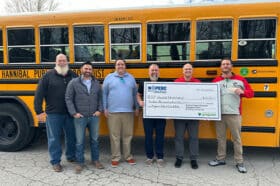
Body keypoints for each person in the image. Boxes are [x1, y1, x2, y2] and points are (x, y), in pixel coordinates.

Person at [208, 58, 254, 173]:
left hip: (234, 114)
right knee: (220, 138)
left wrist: (242, 92)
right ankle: (220, 159)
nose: (225, 66)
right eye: (223, 64)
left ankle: (239, 162)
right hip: (219, 114)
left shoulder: (240, 80)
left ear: (231, 66)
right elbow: (209, 96)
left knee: (236, 139)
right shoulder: (216, 80)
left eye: (227, 64)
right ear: (221, 67)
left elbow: (251, 93)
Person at [34, 53, 76, 172]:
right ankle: (55, 161)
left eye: (64, 60)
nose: (62, 63)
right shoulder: (47, 76)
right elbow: (39, 94)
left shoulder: (72, 75)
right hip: (53, 113)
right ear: (55, 62)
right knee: (54, 138)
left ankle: (71, 156)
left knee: (71, 136)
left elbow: (80, 91)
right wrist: (39, 111)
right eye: (59, 61)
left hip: (70, 113)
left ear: (67, 62)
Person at [65, 61, 104, 174]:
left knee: (95, 140)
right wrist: (74, 113)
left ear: (92, 71)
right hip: (80, 117)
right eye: (86, 68)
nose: (88, 71)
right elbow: (68, 98)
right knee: (79, 141)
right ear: (81, 70)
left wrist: (99, 110)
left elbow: (101, 98)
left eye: (90, 69)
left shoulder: (96, 83)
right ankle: (80, 162)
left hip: (94, 116)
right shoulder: (73, 83)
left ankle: (95, 160)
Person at [103, 58, 139, 168]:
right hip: (113, 112)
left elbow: (134, 94)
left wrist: (136, 107)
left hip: (128, 111)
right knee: (115, 136)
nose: (120, 66)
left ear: (125, 66)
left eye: (122, 64)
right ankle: (115, 157)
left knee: (128, 135)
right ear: (115, 66)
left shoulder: (131, 78)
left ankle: (128, 156)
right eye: (118, 64)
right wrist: (105, 108)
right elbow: (104, 94)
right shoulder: (109, 78)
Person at [137, 64, 166, 167]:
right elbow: (138, 94)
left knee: (160, 136)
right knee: (148, 136)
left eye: (156, 70)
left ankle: (160, 157)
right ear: (149, 72)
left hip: (160, 115)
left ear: (159, 72)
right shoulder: (143, 82)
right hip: (148, 115)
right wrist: (140, 101)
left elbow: (170, 97)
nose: (154, 72)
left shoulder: (164, 82)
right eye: (152, 70)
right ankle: (149, 157)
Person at [173, 63, 200, 169]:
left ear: (192, 71)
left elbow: (202, 98)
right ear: (182, 71)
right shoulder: (176, 82)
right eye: (186, 69)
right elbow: (172, 98)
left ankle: (193, 159)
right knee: (179, 137)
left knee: (194, 138)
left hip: (193, 116)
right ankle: (179, 158)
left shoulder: (198, 83)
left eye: (189, 69)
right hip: (180, 116)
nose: (188, 71)